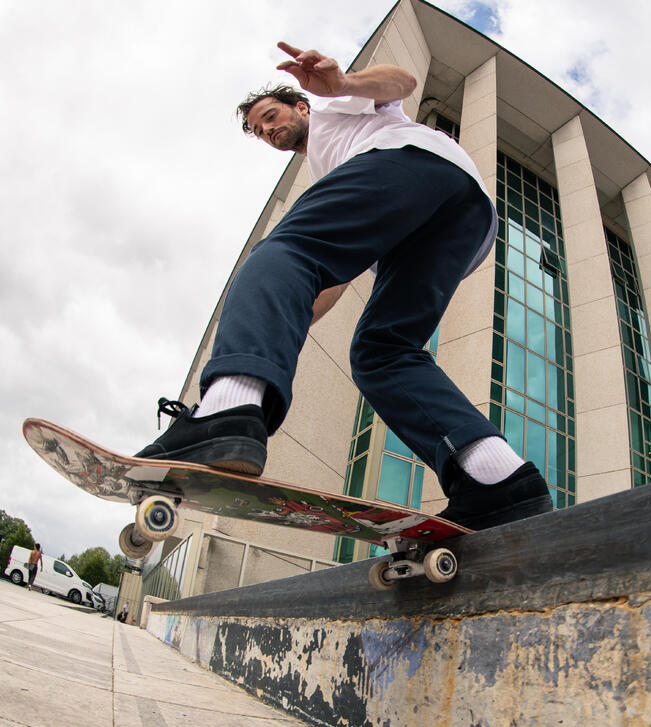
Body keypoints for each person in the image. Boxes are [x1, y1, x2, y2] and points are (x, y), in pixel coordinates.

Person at [136, 42, 553, 530]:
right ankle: (499, 481)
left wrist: (343, 83)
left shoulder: (336, 107)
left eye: (271, 115)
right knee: (382, 353)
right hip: (458, 217)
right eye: (258, 130)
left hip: (412, 162)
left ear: (299, 105)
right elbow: (330, 275)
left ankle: (227, 411)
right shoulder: (329, 170)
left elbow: (402, 83)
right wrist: (283, 315)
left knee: (280, 251)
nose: (269, 130)